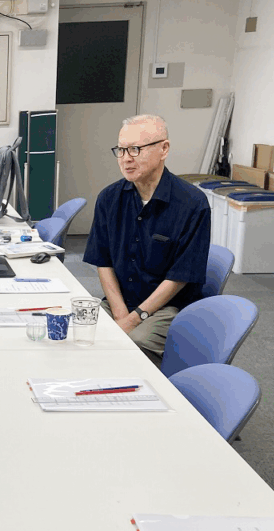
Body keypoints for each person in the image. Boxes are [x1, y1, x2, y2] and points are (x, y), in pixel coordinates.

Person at [83, 114, 211, 363]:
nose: (126, 158)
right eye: (121, 150)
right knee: (79, 334)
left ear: (164, 149)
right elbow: (103, 261)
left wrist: (134, 319)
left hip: (167, 307)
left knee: (132, 347)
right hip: (119, 301)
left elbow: (179, 278)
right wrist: (120, 312)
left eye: (135, 149)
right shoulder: (109, 198)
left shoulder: (192, 204)